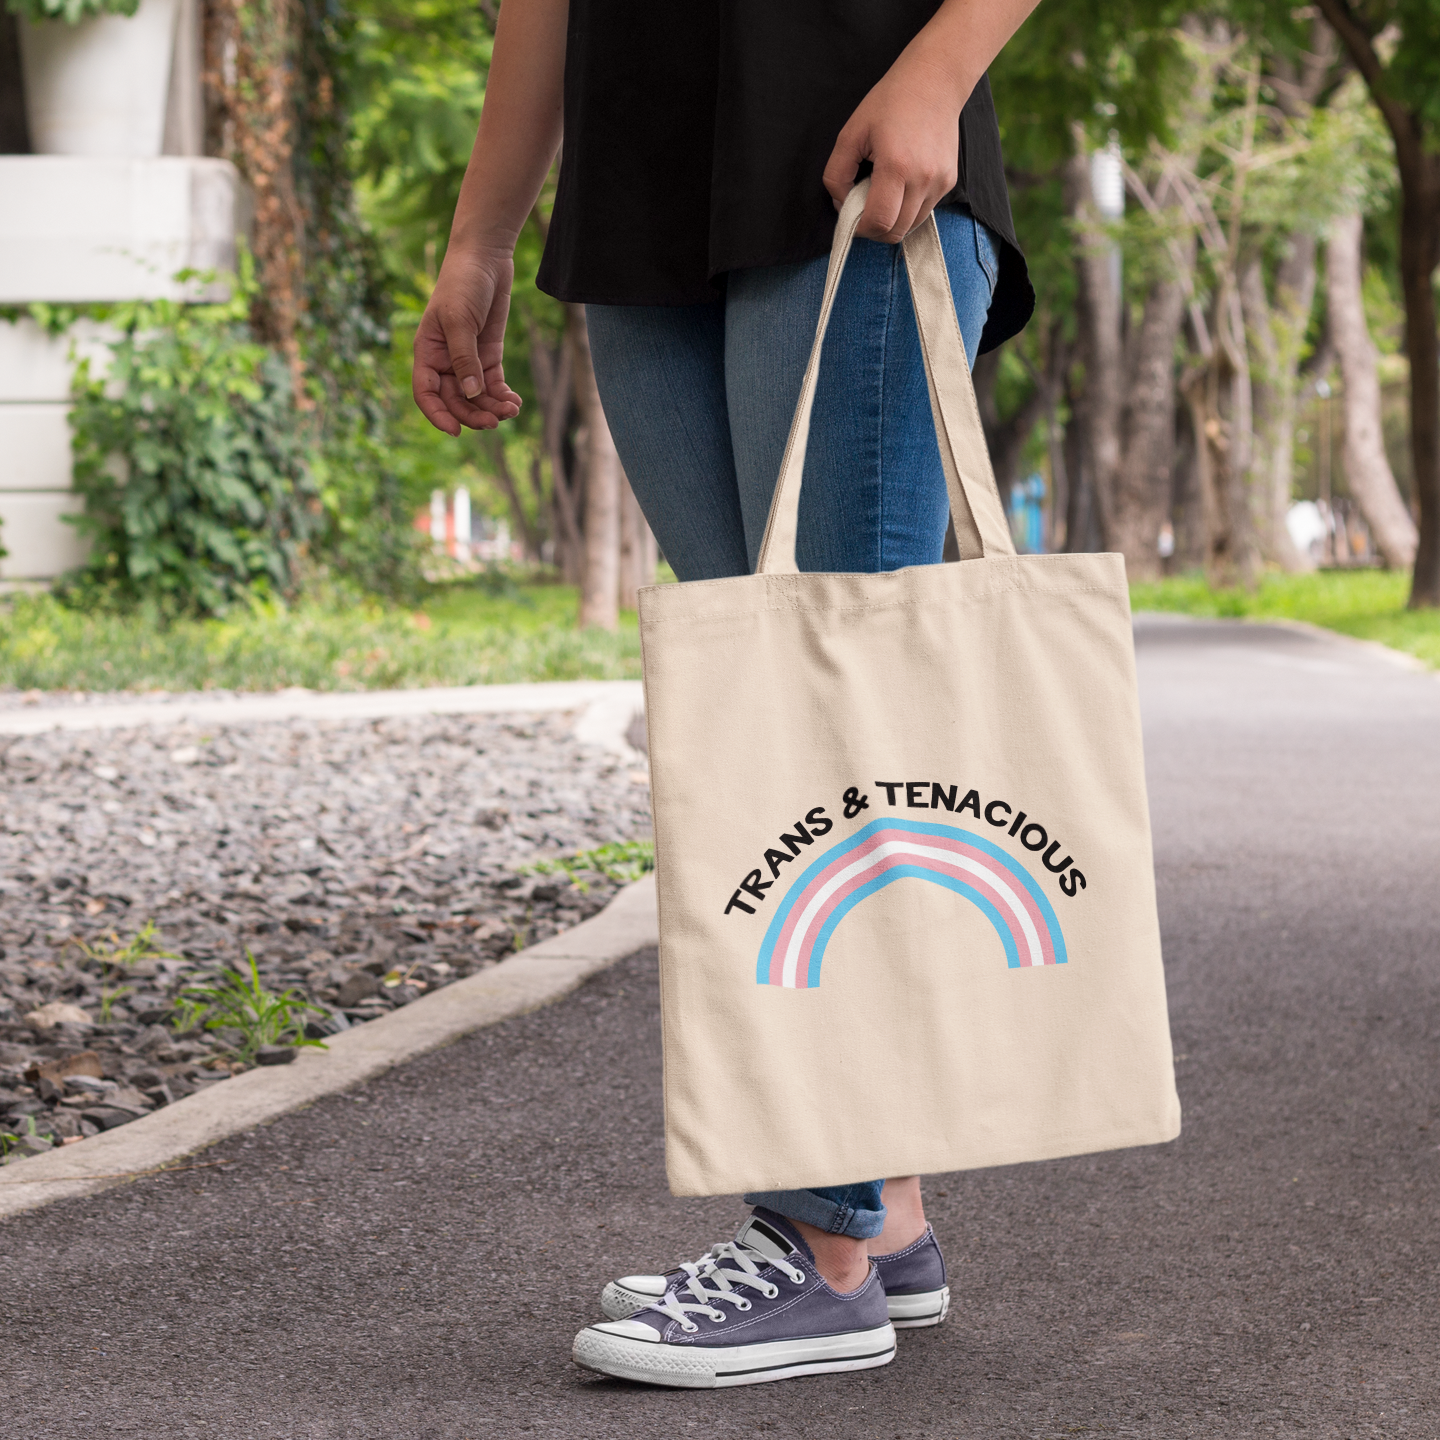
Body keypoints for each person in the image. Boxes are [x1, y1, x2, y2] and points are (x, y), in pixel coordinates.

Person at [415, 0, 1041, 1389]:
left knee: (829, 712)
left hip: (864, 128)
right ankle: (886, 1219)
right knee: (764, 722)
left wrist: (940, 73)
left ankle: (818, 1256)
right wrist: (482, 234)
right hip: (643, 178)